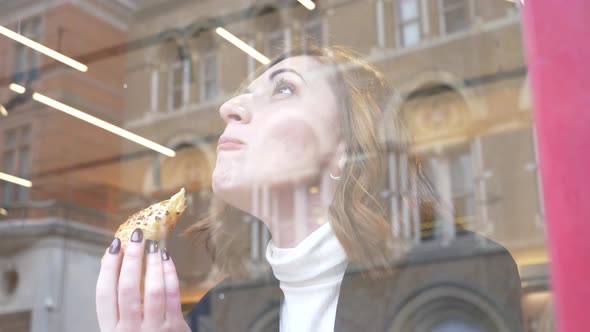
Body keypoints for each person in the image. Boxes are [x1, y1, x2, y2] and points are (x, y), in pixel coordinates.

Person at [96, 45, 523, 332]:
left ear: (346, 148)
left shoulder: (457, 275)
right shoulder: (219, 311)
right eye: (241, 95)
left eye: (284, 88)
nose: (229, 107)